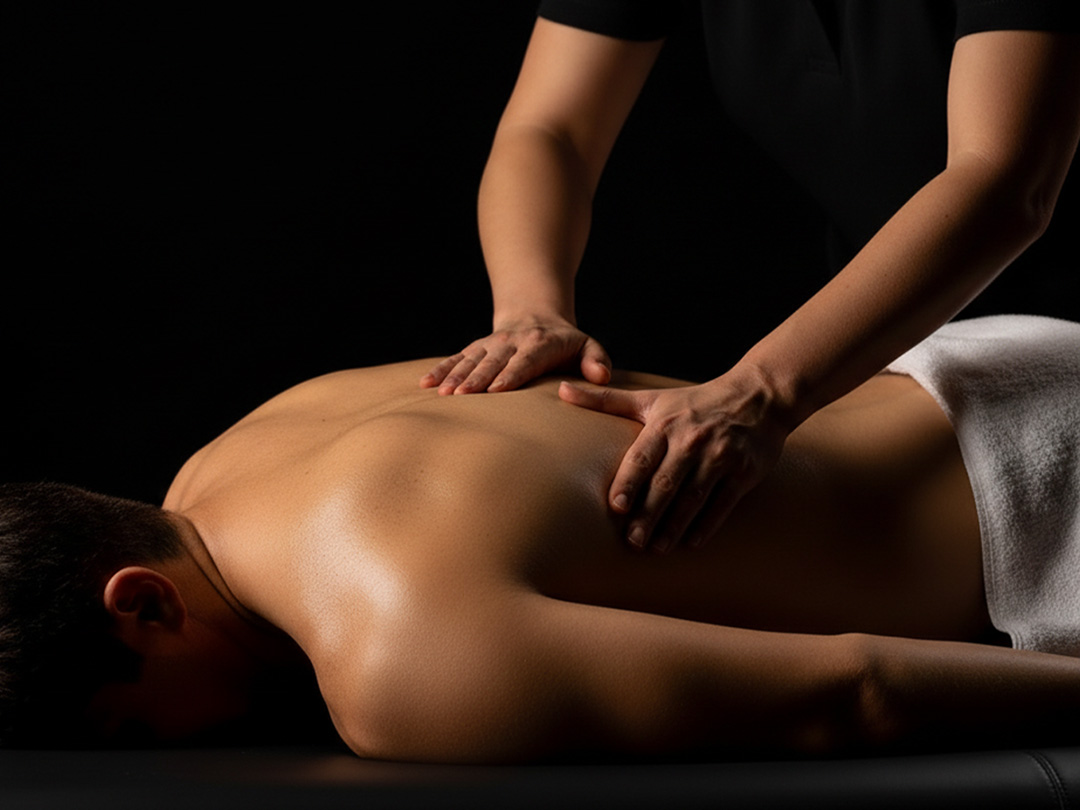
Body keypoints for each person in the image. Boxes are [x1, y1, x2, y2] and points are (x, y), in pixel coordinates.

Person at [3, 314, 1080, 762]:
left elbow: (854, 691)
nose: (162, 749)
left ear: (142, 601)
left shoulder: (389, 663)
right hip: (979, 363)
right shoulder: (237, 448)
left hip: (1046, 516)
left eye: (128, 728)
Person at [421, 1, 1080, 556]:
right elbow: (552, 128)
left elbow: (1005, 179)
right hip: (885, 350)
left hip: (1054, 342)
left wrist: (763, 390)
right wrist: (531, 310)